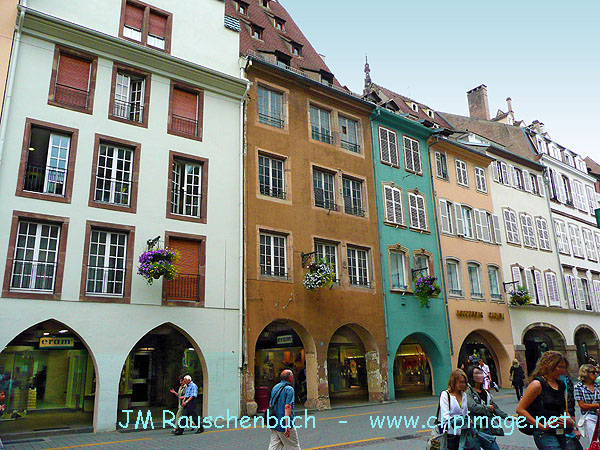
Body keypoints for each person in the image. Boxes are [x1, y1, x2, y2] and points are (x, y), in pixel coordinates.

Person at [516, 351, 580, 450]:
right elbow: (520, 409)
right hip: (544, 431)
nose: (563, 370)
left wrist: (571, 424)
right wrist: (541, 426)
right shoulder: (537, 384)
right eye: (560, 367)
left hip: (561, 429)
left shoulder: (561, 384)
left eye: (564, 367)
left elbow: (564, 409)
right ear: (550, 366)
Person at [466, 365, 508, 450]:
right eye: (477, 373)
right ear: (471, 376)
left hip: (486, 427)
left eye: (481, 373)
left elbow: (494, 406)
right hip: (474, 428)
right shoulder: (468, 390)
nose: (480, 375)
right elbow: (472, 406)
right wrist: (488, 408)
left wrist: (506, 416)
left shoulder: (485, 392)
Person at [440, 369, 476, 450]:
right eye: (460, 382)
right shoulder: (445, 395)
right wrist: (461, 421)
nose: (463, 384)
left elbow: (465, 413)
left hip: (463, 433)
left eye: (464, 382)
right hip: (451, 433)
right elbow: (445, 416)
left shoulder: (464, 395)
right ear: (454, 381)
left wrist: (468, 420)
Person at [268, 369, 301, 450]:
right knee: (294, 447)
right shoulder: (289, 389)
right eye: (292, 376)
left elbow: (270, 404)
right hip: (283, 423)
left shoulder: (275, 387)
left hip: (275, 422)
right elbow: (287, 407)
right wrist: (287, 425)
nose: (293, 377)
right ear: (289, 377)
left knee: (274, 446)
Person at [574, 364, 600, 448]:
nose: (596, 374)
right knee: (595, 441)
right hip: (590, 417)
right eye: (593, 372)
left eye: (596, 372)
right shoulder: (579, 387)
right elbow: (582, 405)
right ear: (586, 373)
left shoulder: (597, 385)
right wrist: (597, 405)